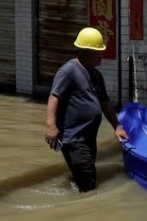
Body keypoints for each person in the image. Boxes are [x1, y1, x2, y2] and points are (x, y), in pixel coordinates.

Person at [45, 27, 129, 192]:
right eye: (97, 53)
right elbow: (54, 97)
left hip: (88, 136)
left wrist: (117, 127)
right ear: (84, 52)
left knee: (85, 173)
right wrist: (51, 126)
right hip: (74, 138)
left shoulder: (96, 75)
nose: (101, 56)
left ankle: (75, 186)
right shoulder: (68, 71)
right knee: (88, 183)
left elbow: (105, 103)